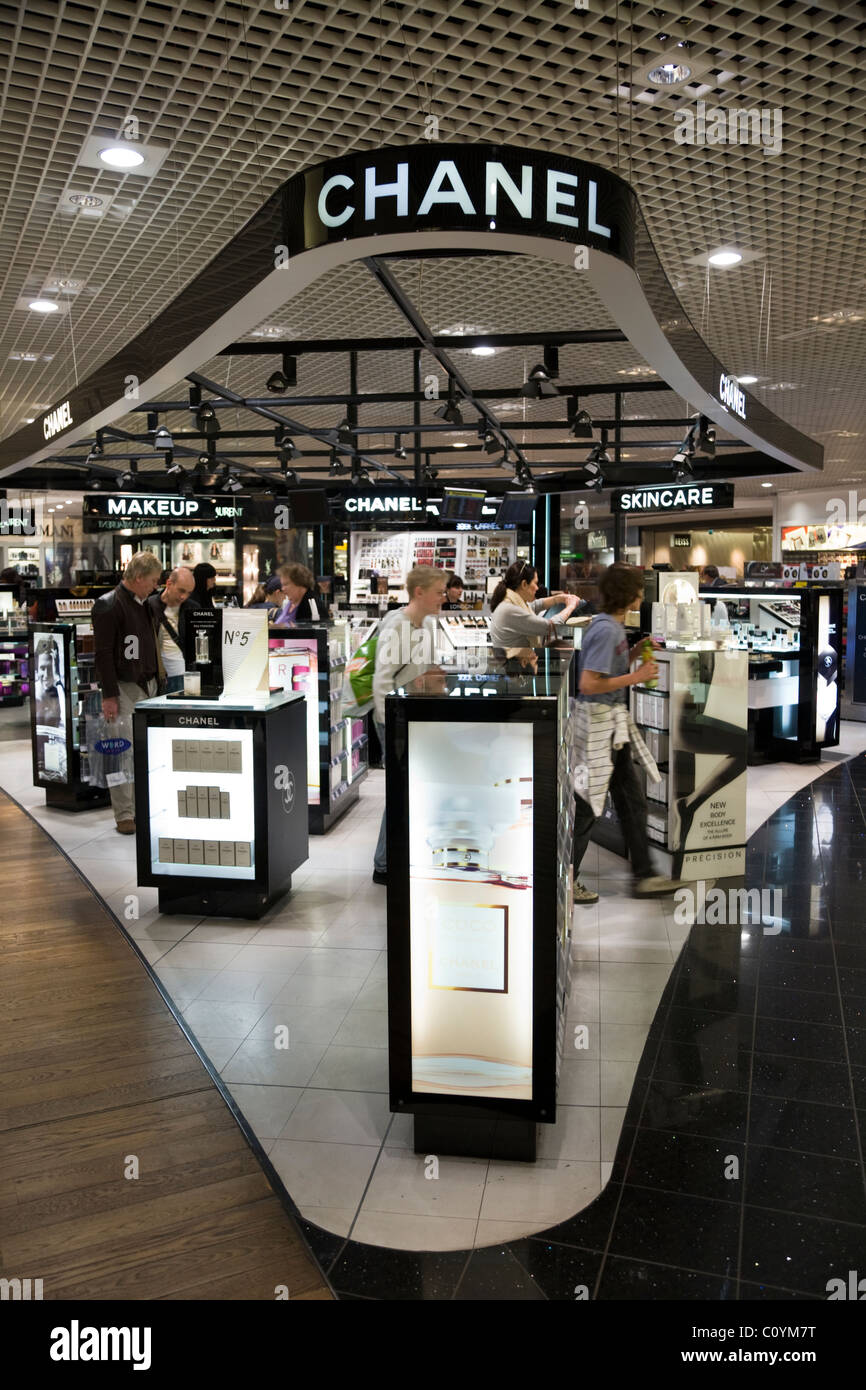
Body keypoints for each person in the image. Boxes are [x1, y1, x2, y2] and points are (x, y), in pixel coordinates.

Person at [571, 562, 680, 903]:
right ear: (628, 594)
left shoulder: (612, 629)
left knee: (630, 800)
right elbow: (588, 683)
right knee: (588, 806)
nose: (642, 595)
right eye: (639, 589)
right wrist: (635, 676)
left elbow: (602, 673)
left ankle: (645, 875)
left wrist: (633, 655)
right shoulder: (606, 630)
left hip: (610, 728)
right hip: (601, 728)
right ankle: (566, 877)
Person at [371, 566, 447, 885]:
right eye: (439, 592)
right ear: (419, 592)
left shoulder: (425, 625)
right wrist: (389, 723)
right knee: (399, 792)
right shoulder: (397, 626)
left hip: (411, 715)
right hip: (394, 719)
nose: (443, 598)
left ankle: (396, 858)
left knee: (407, 790)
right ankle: (384, 864)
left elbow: (424, 670)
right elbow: (382, 680)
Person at [91, 551, 164, 834]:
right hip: (123, 688)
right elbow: (103, 654)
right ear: (137, 578)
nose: (155, 586)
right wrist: (109, 695)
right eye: (153, 581)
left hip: (148, 687)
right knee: (121, 751)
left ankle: (141, 808)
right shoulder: (109, 605)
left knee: (144, 752)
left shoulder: (146, 604)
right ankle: (124, 814)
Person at [488, 561, 580, 653]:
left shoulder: (511, 602)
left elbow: (535, 605)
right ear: (524, 584)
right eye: (535, 583)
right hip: (514, 665)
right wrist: (570, 606)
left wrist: (558, 598)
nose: (537, 588)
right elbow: (548, 627)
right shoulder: (510, 610)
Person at [147, 566, 195, 694]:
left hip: (184, 675)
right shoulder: (150, 605)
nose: (183, 596)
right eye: (181, 591)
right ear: (169, 583)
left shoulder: (192, 608)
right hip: (157, 675)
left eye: (189, 593)